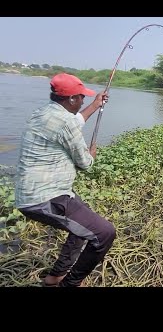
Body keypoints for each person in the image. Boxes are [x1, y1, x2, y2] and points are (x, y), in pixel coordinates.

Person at [15, 73, 116, 287]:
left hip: (33, 194)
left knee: (81, 227)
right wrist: (91, 156)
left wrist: (96, 105)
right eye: (81, 97)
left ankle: (55, 276)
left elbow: (72, 122)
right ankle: (70, 283)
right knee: (105, 233)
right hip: (46, 198)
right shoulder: (65, 123)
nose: (83, 100)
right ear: (71, 99)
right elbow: (85, 164)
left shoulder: (43, 113)